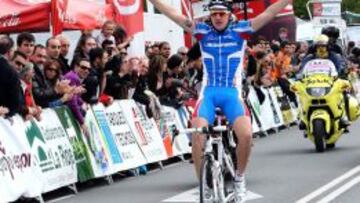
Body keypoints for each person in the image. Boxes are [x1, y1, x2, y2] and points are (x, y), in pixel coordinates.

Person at [149, 0, 292, 200]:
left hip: (231, 94)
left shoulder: (241, 30)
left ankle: (240, 179)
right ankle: (204, 185)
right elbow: (172, 13)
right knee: (197, 135)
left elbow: (269, 13)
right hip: (208, 93)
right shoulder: (201, 31)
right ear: (210, 16)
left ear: (228, 15)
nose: (217, 17)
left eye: (221, 14)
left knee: (247, 135)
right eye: (214, 14)